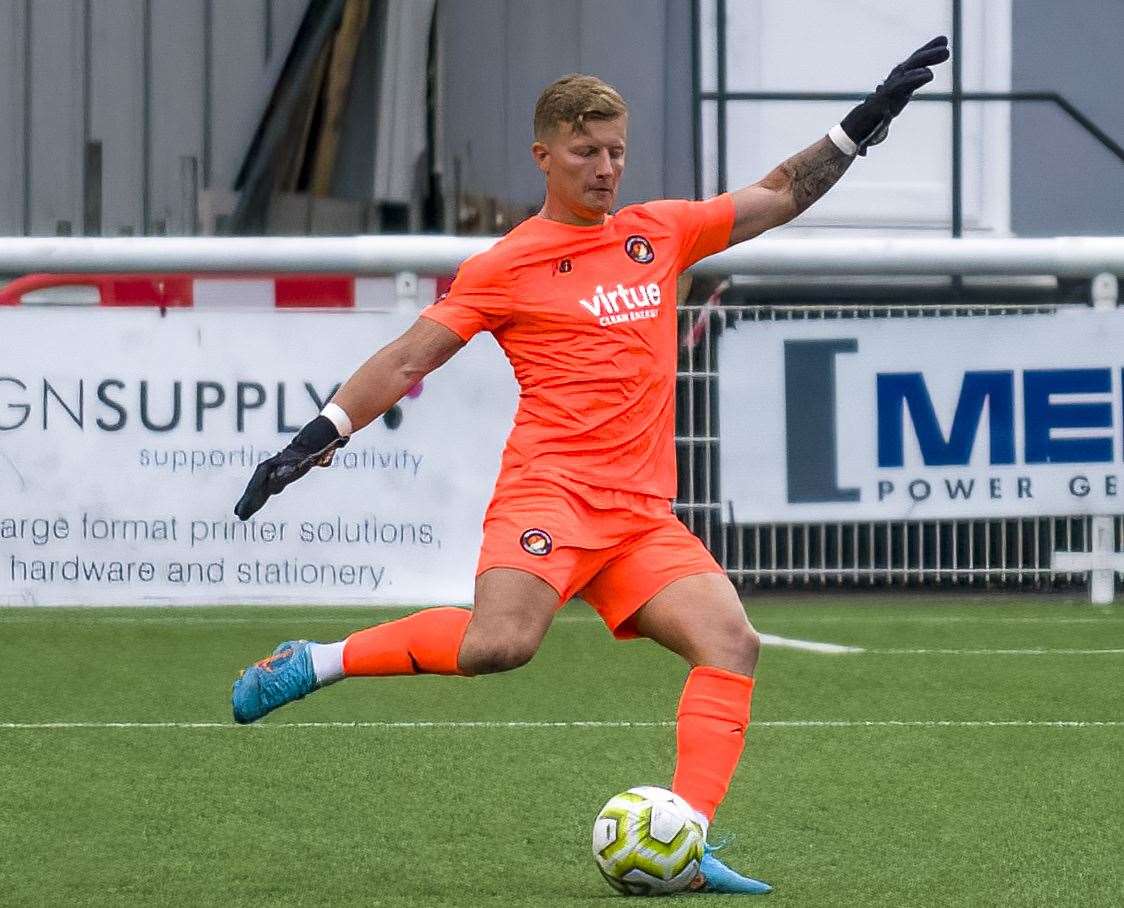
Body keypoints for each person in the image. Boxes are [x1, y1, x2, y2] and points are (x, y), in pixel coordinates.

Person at [231, 36, 949, 895]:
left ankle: (684, 839)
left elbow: (777, 195)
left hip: (640, 515)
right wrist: (316, 436)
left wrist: (860, 125)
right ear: (544, 156)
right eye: (586, 152)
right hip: (552, 495)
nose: (606, 169)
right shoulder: (507, 264)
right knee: (499, 645)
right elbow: (409, 359)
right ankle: (314, 661)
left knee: (731, 643)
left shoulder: (660, 233)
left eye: (616, 151)